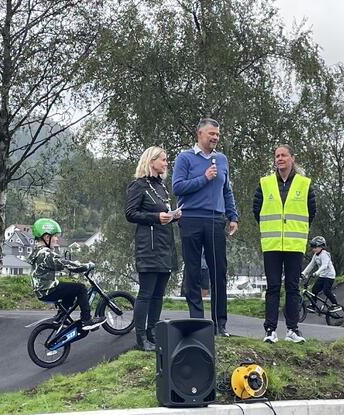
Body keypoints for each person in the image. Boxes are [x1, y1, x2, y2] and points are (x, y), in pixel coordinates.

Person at [172, 118, 238, 337]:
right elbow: (178, 187)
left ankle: (220, 323)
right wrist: (203, 178)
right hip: (190, 218)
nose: (215, 138)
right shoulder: (185, 158)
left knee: (219, 271)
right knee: (192, 271)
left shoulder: (222, 159)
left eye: (217, 135)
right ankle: (198, 322)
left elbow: (226, 189)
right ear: (199, 134)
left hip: (215, 220)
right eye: (211, 134)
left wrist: (232, 215)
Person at [253, 144, 316, 344]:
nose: (280, 159)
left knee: (292, 287)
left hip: (294, 243)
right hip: (272, 243)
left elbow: (311, 211)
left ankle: (292, 329)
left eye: (284, 155)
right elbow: (257, 209)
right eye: (277, 156)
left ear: (292, 159)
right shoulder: (265, 183)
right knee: (272, 287)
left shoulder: (304, 184)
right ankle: (270, 330)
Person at [125, 146, 180, 351]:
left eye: (166, 160)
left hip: (165, 245)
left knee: (158, 293)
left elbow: (163, 214)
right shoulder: (138, 185)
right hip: (148, 246)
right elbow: (130, 213)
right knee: (146, 293)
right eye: (163, 160)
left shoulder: (162, 187)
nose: (166, 163)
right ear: (151, 161)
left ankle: (153, 333)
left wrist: (172, 216)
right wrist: (156, 217)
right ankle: (140, 338)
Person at [28, 218, 106, 331]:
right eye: (55, 236)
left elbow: (59, 264)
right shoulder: (45, 254)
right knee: (80, 288)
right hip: (48, 289)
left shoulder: (37, 251)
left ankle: (61, 316)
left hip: (42, 289)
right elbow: (65, 264)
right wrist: (86, 266)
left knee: (69, 289)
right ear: (46, 237)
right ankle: (86, 320)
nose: (57, 240)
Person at [302, 236, 342, 312]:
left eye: (315, 247)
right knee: (314, 290)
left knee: (326, 290)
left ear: (321, 246)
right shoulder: (315, 255)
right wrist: (303, 273)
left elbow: (325, 265)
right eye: (312, 247)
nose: (313, 249)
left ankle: (336, 305)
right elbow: (311, 265)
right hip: (322, 275)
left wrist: (317, 272)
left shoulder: (324, 254)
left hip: (330, 276)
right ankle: (313, 306)